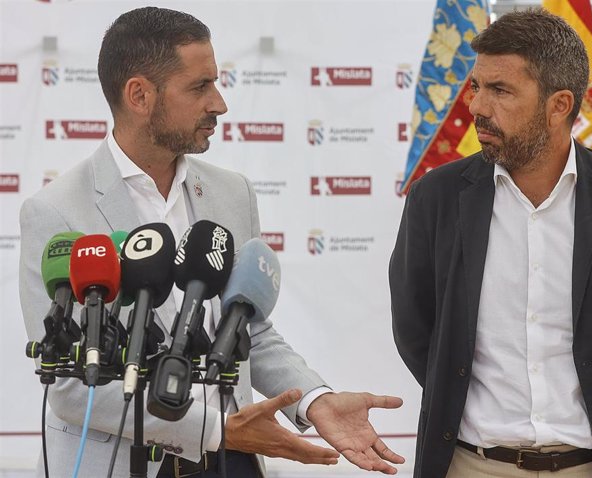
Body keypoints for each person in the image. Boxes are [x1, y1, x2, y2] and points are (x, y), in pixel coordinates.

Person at [19, 7, 404, 478]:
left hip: (230, 463)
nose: (219, 103)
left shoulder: (231, 192)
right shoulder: (56, 212)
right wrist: (216, 428)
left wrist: (314, 399)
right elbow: (70, 384)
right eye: (200, 86)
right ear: (139, 95)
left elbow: (247, 329)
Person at [390, 8, 592, 478]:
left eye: (500, 90)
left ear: (559, 104)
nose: (477, 107)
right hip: (471, 464)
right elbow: (416, 327)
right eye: (476, 87)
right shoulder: (437, 198)